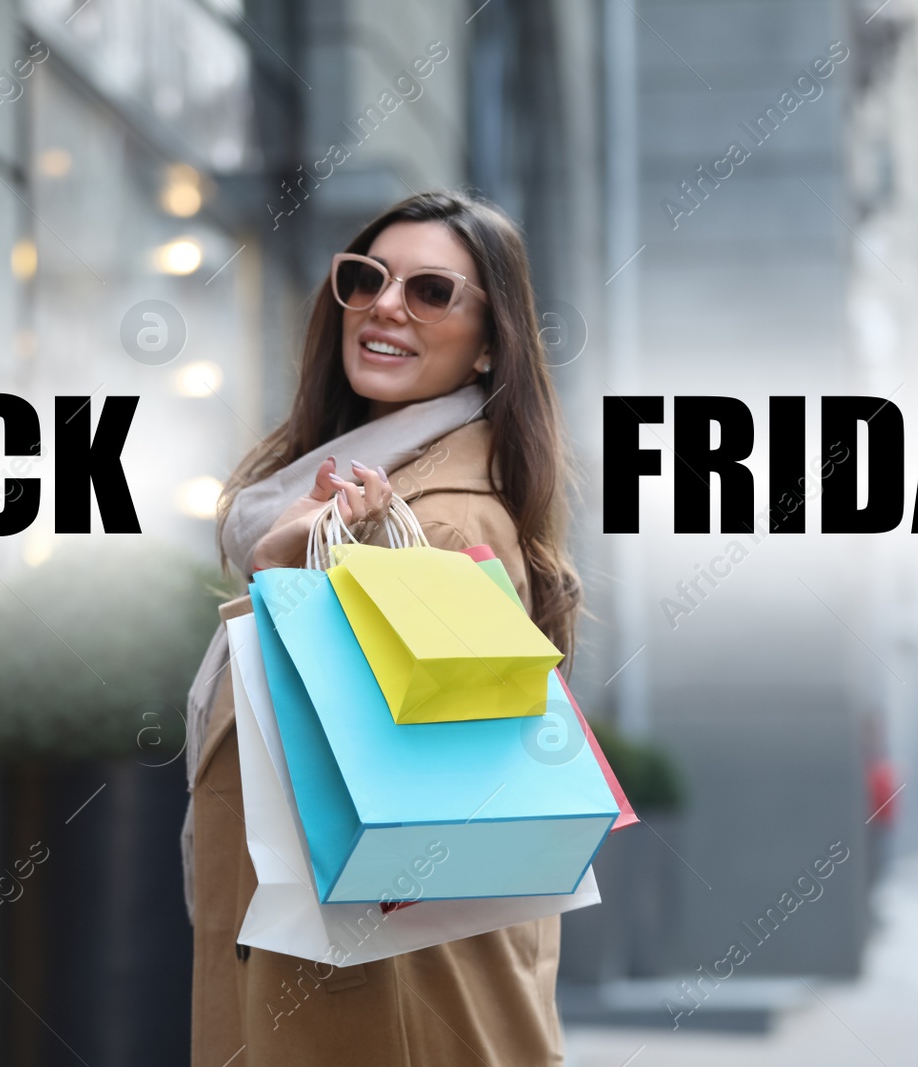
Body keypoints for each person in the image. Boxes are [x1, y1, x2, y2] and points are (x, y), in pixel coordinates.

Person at [181, 190, 584, 1066]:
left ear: (489, 344)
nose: (385, 305)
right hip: (355, 973)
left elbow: (382, 793)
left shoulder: (436, 525)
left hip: (384, 993)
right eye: (366, 279)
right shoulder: (358, 495)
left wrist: (280, 582)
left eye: (433, 291)